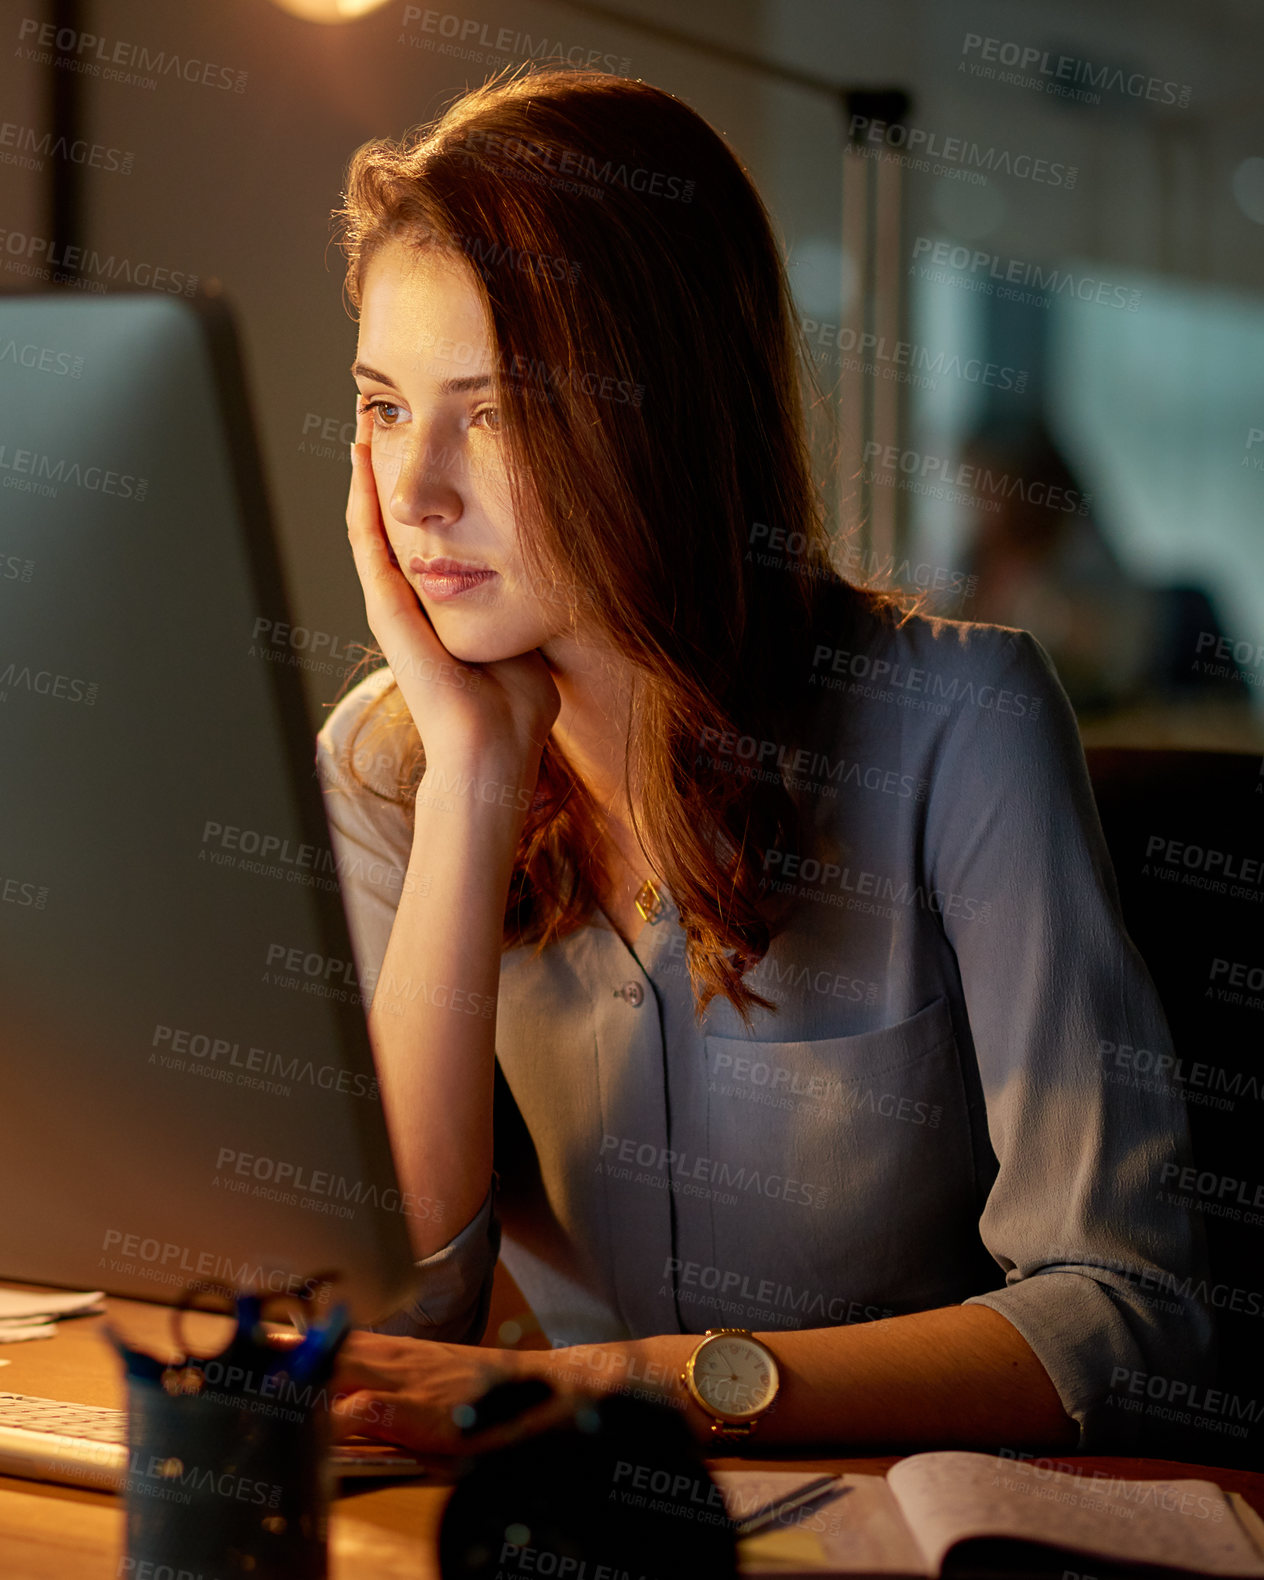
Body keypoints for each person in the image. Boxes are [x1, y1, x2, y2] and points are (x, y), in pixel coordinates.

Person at [315, 68, 1211, 1454]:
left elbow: (1125, 1307)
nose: (416, 488)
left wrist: (633, 1384)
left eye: (491, 411)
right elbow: (399, 1316)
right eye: (383, 407)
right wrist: (476, 790)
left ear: (659, 417)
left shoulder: (960, 727)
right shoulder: (396, 762)